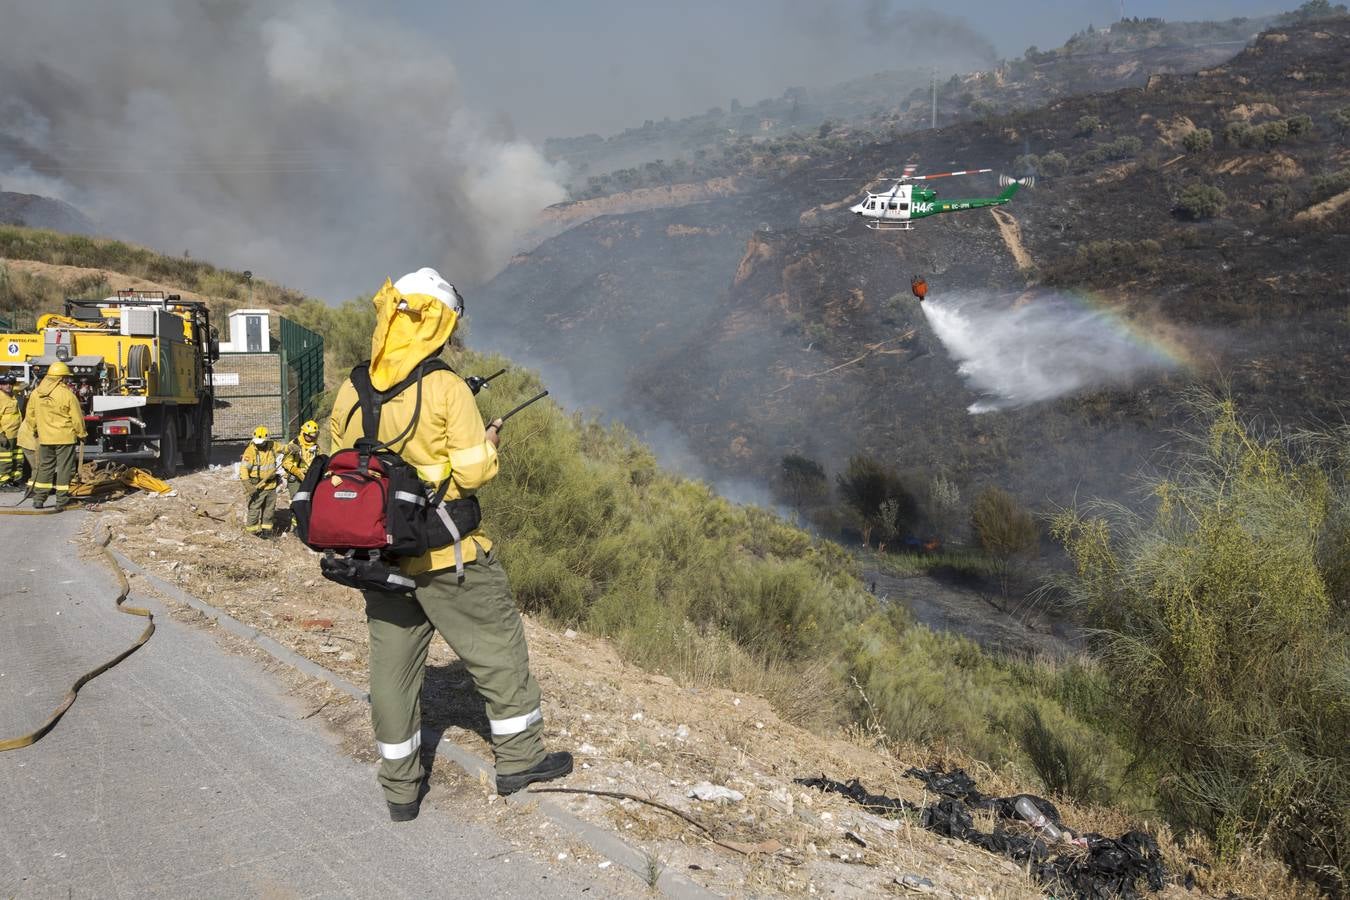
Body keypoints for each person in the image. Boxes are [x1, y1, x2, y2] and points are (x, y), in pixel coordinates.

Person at [328, 267, 570, 821]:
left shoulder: (352, 386)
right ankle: (519, 759)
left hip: (379, 558)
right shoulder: (445, 387)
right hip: (447, 557)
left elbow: (339, 462)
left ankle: (399, 789)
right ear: (436, 323)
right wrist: (487, 443)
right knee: (499, 651)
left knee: (391, 674)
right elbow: (474, 472)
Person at [25, 361, 87, 509]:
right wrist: (82, 434)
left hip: (45, 438)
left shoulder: (36, 393)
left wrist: (34, 430)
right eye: (66, 377)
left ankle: (39, 499)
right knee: (64, 468)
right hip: (65, 438)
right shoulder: (67, 395)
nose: (67, 380)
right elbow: (77, 418)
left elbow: (30, 415)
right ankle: (61, 500)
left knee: (45, 467)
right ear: (61, 378)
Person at [239, 426, 280, 537]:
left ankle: (267, 531)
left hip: (271, 485)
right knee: (254, 509)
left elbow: (283, 448)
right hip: (256, 486)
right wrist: (248, 485)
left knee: (269, 509)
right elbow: (243, 469)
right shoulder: (250, 451)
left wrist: (291, 448)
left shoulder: (272, 445)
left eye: (262, 443)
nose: (259, 444)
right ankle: (252, 532)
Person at [282, 419, 320, 496]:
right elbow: (286, 462)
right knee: (297, 499)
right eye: (309, 436)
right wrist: (297, 471)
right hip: (295, 477)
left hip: (309, 476)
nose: (312, 438)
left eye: (314, 436)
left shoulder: (316, 446)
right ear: (304, 433)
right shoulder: (295, 444)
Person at [0, 374, 21, 489]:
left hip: (16, 434)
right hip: (6, 435)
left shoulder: (12, 396)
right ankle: (3, 482)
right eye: (4, 384)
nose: (8, 386)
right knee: (5, 460)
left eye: (10, 383)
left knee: (17, 459)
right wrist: (1, 434)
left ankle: (14, 480)